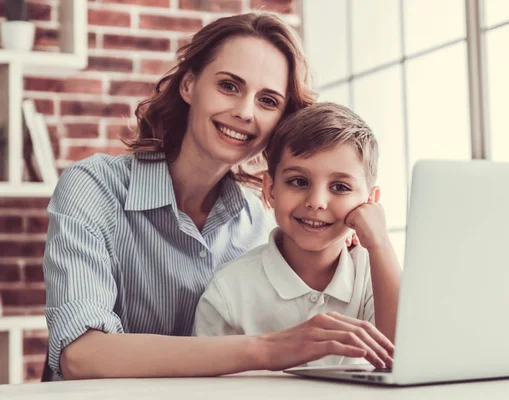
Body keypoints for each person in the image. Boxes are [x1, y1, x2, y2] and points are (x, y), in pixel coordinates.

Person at [42, 12, 393, 380]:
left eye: (268, 101)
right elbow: (80, 357)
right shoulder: (94, 188)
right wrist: (270, 349)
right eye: (229, 86)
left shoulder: (259, 222)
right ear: (189, 85)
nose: (244, 112)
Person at [193, 102, 402, 368]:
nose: (316, 202)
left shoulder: (376, 275)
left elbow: (402, 359)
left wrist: (380, 243)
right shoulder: (228, 290)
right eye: (298, 181)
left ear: (370, 201)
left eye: (340, 187)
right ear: (270, 189)